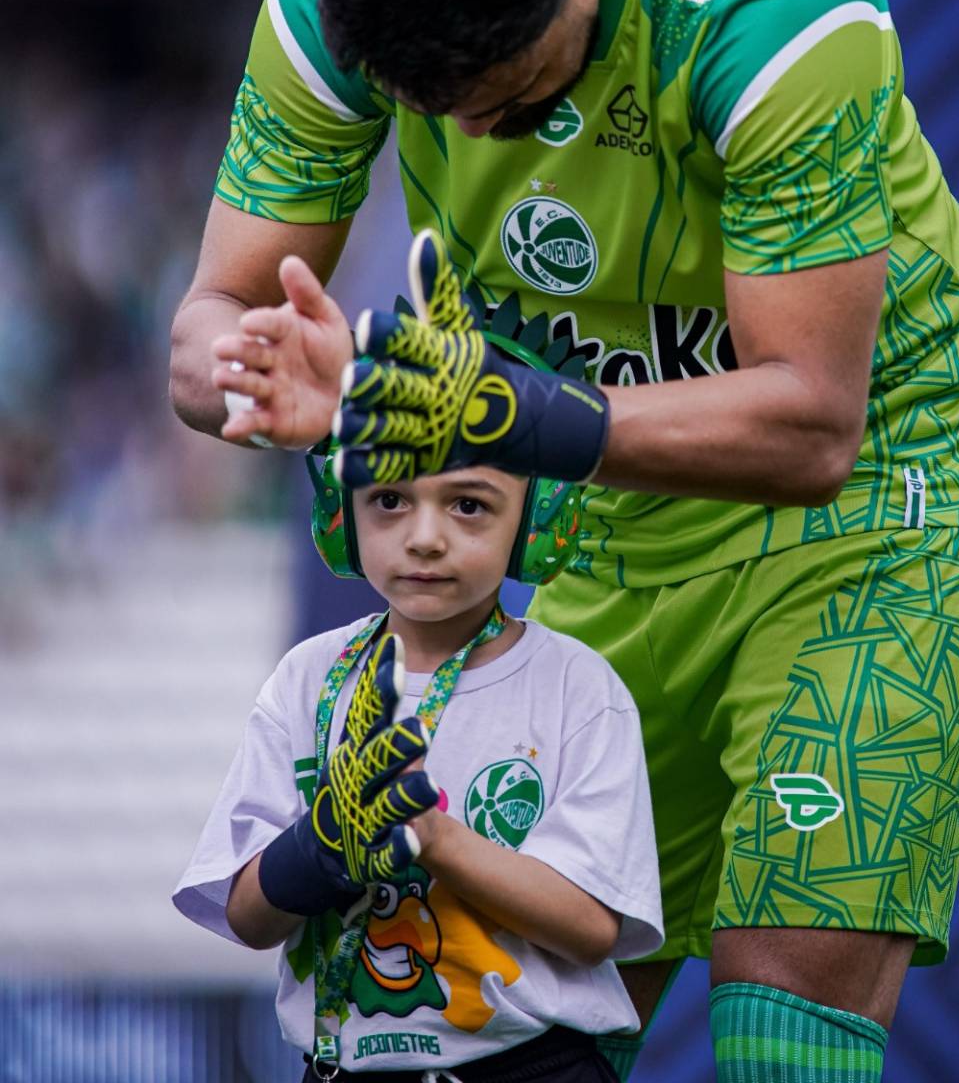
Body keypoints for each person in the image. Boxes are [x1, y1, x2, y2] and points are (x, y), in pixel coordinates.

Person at [170, 0, 959, 1082]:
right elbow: (212, 317)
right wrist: (256, 369)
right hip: (603, 500)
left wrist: (500, 415)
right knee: (500, 1024)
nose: (474, 143)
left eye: (508, 105)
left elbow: (811, 424)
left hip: (880, 492)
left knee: (785, 1003)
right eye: (432, 111)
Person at [173, 403, 664, 1082]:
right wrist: (320, 844)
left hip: (532, 1067)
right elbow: (248, 919)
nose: (425, 537)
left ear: (537, 518)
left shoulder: (578, 688)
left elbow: (591, 925)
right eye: (390, 500)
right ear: (339, 512)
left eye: (467, 504)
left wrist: (434, 839)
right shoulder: (306, 679)